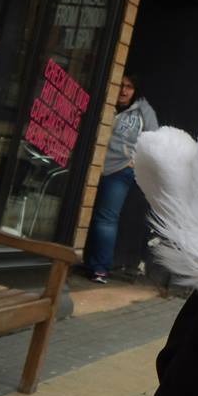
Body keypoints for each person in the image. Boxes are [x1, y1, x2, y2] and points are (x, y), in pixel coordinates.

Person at [83, 72, 158, 284]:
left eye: (129, 87)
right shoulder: (105, 102)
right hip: (90, 164)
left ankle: (100, 269)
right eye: (121, 85)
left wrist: (134, 161)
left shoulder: (144, 111)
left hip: (119, 170)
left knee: (106, 218)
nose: (123, 91)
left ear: (136, 90)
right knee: (83, 212)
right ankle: (83, 260)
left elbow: (155, 140)